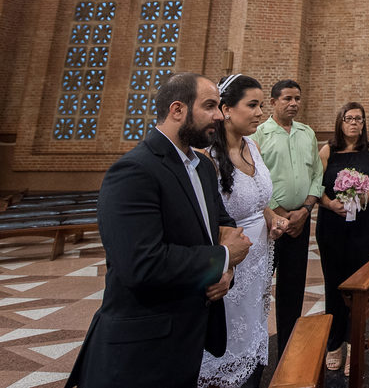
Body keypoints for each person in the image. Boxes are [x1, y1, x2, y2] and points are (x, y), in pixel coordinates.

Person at [66, 72, 252, 388]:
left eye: (220, 107)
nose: (219, 116)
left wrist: (224, 273)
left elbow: (223, 227)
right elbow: (141, 264)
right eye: (210, 106)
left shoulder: (203, 166)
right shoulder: (134, 171)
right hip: (142, 348)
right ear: (177, 110)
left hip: (187, 337)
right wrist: (220, 259)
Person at [199, 74, 288, 388]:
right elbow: (206, 221)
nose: (260, 112)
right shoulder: (207, 157)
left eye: (261, 105)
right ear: (225, 109)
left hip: (260, 257)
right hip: (228, 264)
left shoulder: (253, 144)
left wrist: (272, 218)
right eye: (252, 105)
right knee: (226, 332)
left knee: (253, 324)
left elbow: (258, 199)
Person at [249, 79, 323, 354]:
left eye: (297, 99)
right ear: (273, 102)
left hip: (299, 223)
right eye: (288, 98)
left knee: (293, 289)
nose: (294, 103)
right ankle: (255, 351)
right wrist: (278, 212)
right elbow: (253, 175)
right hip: (268, 225)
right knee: (258, 288)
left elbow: (317, 174)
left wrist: (305, 210)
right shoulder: (259, 134)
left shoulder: (307, 133)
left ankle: (288, 351)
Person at [315, 102, 369, 374]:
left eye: (359, 118)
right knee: (334, 282)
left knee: (360, 283)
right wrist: (330, 204)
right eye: (349, 118)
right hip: (332, 225)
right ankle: (335, 343)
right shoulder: (328, 150)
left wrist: (362, 198)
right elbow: (314, 184)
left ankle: (355, 343)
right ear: (341, 121)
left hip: (364, 225)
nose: (355, 123)